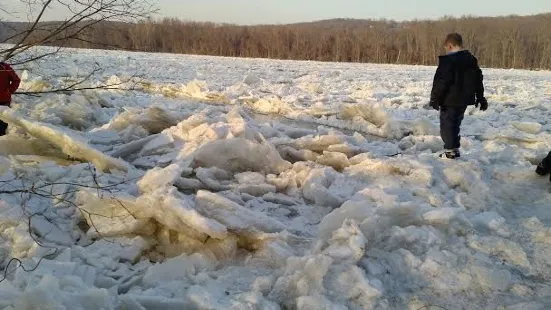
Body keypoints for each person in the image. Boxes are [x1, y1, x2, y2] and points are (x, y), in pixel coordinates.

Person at [429, 33, 488, 159]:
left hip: (449, 100)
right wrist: (480, 97)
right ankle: (453, 149)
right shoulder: (471, 60)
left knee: (447, 126)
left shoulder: (448, 61)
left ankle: (450, 151)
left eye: (446, 48)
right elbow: (478, 80)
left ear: (449, 46)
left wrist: (435, 98)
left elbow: (442, 82)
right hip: (464, 100)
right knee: (455, 124)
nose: (445, 50)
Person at [0, 62, 20, 136]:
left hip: (3, 100)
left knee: (2, 123)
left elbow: (16, 80)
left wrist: (10, 90)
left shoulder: (5, 67)